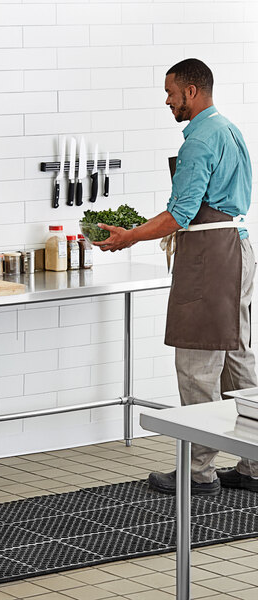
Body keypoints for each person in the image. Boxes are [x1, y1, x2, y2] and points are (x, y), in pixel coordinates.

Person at [96, 58, 258, 495]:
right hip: (236, 249)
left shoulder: (200, 140)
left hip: (209, 257)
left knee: (197, 363)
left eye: (170, 92)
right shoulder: (229, 129)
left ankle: (197, 472)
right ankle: (255, 465)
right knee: (238, 358)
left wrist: (128, 237)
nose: (167, 101)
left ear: (191, 91)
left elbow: (180, 213)